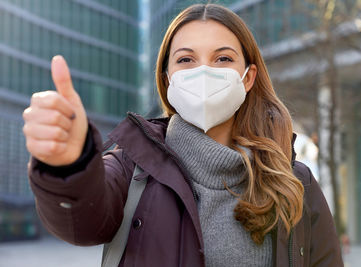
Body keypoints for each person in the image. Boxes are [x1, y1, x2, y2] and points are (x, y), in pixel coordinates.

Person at [22, 3, 343, 267]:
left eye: (223, 58)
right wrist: (71, 163)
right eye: (186, 59)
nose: (203, 72)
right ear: (167, 79)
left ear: (248, 77)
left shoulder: (294, 183)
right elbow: (82, 223)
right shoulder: (130, 169)